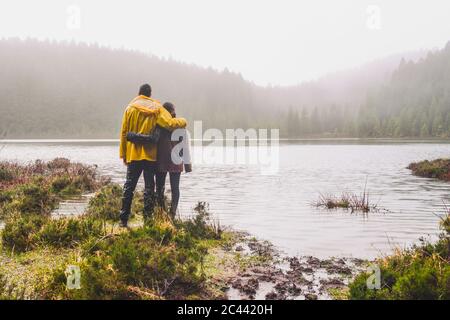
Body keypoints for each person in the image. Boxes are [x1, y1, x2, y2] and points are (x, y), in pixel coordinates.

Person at [119, 84, 187, 227]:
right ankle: (148, 220)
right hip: (150, 155)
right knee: (149, 188)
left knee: (129, 187)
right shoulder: (156, 108)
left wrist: (123, 154)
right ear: (150, 94)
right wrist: (183, 121)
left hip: (133, 154)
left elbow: (124, 133)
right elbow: (169, 123)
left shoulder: (129, 108)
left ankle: (123, 220)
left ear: (139, 93)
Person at [127, 102, 192, 219]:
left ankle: (161, 212)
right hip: (176, 162)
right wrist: (187, 165)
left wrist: (133, 137)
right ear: (172, 111)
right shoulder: (180, 125)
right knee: (175, 188)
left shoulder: (159, 125)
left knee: (160, 187)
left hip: (161, 160)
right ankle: (172, 214)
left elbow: (153, 140)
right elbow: (185, 146)